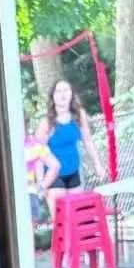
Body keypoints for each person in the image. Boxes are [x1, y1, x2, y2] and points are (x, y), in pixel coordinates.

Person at [37, 79, 105, 209]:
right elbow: (38, 155)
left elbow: (87, 140)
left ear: (72, 94)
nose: (62, 94)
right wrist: (41, 182)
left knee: (77, 213)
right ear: (53, 96)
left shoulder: (79, 116)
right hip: (54, 176)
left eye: (66, 90)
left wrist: (97, 164)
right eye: (58, 91)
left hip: (73, 172)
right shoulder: (47, 122)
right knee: (60, 217)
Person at [23, 114, 60, 222]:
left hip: (29, 191)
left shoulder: (34, 145)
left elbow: (55, 165)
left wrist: (41, 186)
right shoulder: (34, 145)